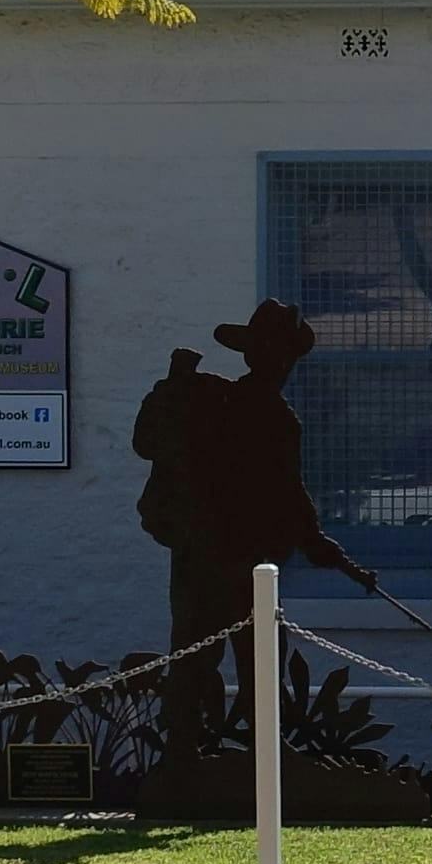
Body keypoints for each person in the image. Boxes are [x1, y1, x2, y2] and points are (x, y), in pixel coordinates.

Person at [130, 300, 357, 761]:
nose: (284, 365)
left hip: (203, 558)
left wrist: (318, 545)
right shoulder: (269, 416)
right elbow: (289, 495)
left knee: (204, 654)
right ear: (264, 357)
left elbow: (289, 497)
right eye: (280, 354)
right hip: (238, 561)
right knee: (246, 657)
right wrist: (315, 543)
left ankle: (196, 754)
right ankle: (231, 757)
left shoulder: (222, 402)